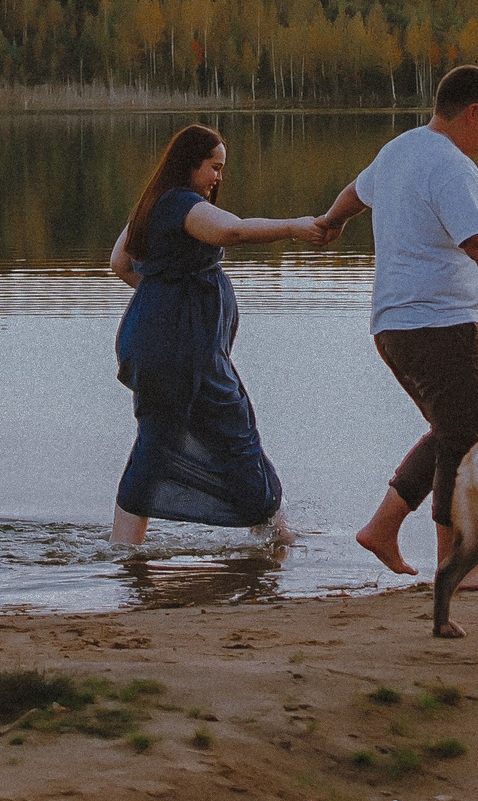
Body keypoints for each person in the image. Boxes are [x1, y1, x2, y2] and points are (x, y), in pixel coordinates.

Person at [313, 65, 478, 586]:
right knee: (467, 441)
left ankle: (382, 528)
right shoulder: (453, 167)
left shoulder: (399, 149)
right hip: (442, 327)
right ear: (471, 112)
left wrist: (332, 222)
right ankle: (455, 564)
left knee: (451, 431)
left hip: (392, 328)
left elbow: (354, 194)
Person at [108, 124, 325, 545]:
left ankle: (124, 547)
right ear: (190, 164)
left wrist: (165, 296)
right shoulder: (180, 204)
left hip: (161, 343)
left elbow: (121, 262)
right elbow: (233, 231)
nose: (218, 178)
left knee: (158, 439)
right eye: (214, 167)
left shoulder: (152, 203)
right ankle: (277, 533)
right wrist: (295, 227)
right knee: (233, 429)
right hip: (184, 351)